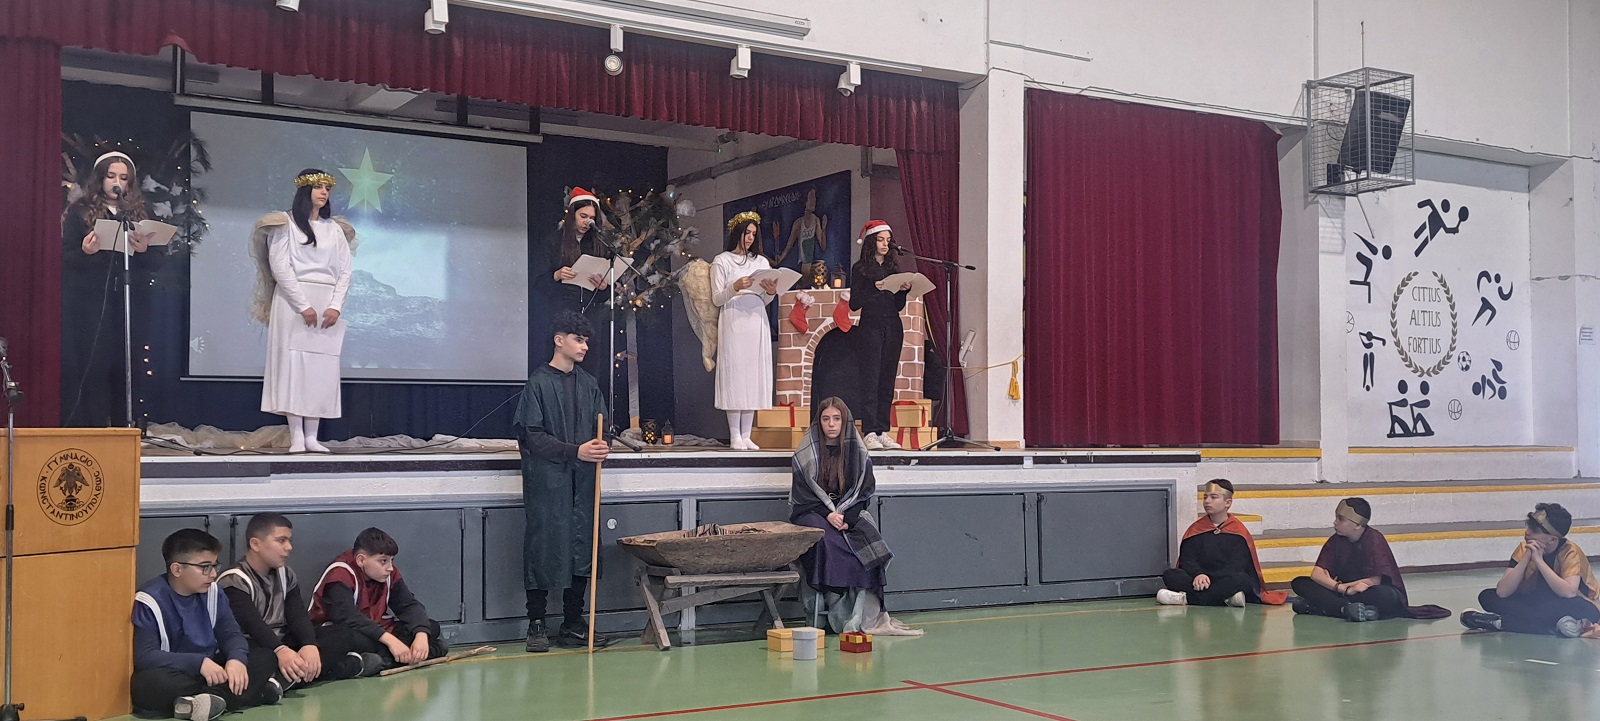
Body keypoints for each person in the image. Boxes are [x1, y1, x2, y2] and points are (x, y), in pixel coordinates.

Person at [514, 310, 612, 652]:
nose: (584, 347)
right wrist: (575, 451)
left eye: (586, 341)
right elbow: (533, 436)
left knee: (582, 546)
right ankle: (537, 623)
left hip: (582, 481)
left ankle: (573, 622)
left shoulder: (589, 384)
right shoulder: (538, 383)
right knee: (543, 546)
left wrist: (601, 447)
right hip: (548, 481)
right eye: (578, 340)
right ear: (559, 340)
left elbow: (603, 427)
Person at [789, 396, 921, 636]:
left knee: (868, 542)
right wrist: (828, 514)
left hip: (847, 512)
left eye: (836, 419)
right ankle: (833, 606)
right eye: (826, 419)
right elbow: (802, 494)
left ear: (845, 422)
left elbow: (864, 492)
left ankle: (859, 614)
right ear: (818, 422)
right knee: (824, 540)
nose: (831, 424)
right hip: (813, 511)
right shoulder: (805, 453)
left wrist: (847, 518)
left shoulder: (857, 453)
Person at [250, 169, 355, 453]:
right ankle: (296, 435)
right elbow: (280, 267)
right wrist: (302, 305)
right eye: (318, 187)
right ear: (305, 191)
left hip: (325, 302)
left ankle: (312, 436)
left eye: (327, 188)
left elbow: (345, 271)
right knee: (293, 367)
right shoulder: (284, 225)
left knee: (320, 368)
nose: (324, 193)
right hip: (293, 302)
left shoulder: (334, 230)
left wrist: (335, 306)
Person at [217, 513, 382, 687]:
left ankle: (284, 680)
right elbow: (254, 626)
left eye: (289, 540)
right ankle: (328, 670)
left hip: (283, 641)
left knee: (341, 634)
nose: (289, 547)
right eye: (281, 541)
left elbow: (298, 615)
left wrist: (309, 644)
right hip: (254, 644)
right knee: (264, 658)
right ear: (255, 544)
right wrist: (280, 650)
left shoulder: (286, 574)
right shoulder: (234, 580)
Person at [131, 528, 281, 720]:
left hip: (214, 668)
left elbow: (231, 634)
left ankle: (207, 700)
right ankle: (248, 693)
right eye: (205, 567)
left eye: (215, 565)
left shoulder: (214, 592)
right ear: (177, 569)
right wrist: (198, 663)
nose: (213, 574)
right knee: (148, 685)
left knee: (265, 657)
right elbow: (145, 656)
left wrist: (236, 660)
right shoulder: (149, 599)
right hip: (178, 671)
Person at [61, 150, 161, 428]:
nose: (117, 182)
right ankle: (94, 425)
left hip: (131, 301)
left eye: (123, 178)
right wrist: (85, 252)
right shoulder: (80, 211)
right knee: (96, 362)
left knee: (128, 363)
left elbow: (157, 261)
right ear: (100, 178)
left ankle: (125, 425)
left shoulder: (140, 213)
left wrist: (144, 250)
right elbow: (65, 258)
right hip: (92, 303)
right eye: (111, 176)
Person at [1289, 498, 1450, 622]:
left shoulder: (1374, 539)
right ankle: (1348, 609)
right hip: (1344, 591)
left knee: (1386, 596)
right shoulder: (1336, 540)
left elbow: (1375, 580)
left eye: (1341, 519)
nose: (1335, 522)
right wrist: (1343, 588)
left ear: (1357, 525)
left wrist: (1345, 588)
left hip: (1366, 591)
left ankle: (1324, 607)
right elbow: (1316, 574)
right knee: (1300, 583)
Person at [307, 527, 447, 670]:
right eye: (383, 561)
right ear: (361, 560)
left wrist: (421, 635)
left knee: (430, 626)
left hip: (377, 630)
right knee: (344, 638)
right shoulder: (340, 574)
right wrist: (392, 642)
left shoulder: (388, 573)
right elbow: (348, 618)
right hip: (347, 631)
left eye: (391, 560)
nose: (390, 567)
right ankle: (407, 655)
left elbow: (409, 605)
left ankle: (376, 661)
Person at [1461, 503, 1600, 638]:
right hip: (1536, 601)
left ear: (1552, 539)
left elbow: (1568, 592)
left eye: (1535, 530)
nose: (1527, 532)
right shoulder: (1524, 548)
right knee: (1487, 596)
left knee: (1583, 610)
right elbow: (1502, 592)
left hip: (1569, 603)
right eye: (1528, 527)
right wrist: (1526, 558)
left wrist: (1539, 561)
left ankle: (1501, 622)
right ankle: (1557, 625)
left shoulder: (1570, 551)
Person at [1157, 479, 1287, 607]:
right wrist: (1198, 574)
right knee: (1170, 575)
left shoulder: (1238, 532)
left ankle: (1186, 598)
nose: (1207, 501)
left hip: (1224, 578)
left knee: (1242, 579)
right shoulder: (1196, 529)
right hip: (1199, 578)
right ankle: (1226, 598)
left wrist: (1210, 578)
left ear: (1227, 502)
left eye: (1213, 497)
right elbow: (1187, 560)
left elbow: (1238, 565)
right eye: (1205, 497)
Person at [712, 211, 778, 450]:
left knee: (753, 373)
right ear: (736, 233)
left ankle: (747, 434)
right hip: (734, 318)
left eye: (753, 234)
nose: (750, 238)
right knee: (736, 374)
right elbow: (717, 298)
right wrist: (735, 287)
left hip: (756, 317)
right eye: (746, 233)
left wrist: (770, 292)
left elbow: (765, 299)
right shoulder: (722, 261)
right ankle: (735, 436)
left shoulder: (761, 263)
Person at [533, 187, 613, 381]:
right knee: (560, 369)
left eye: (591, 218)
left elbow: (606, 293)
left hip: (591, 314)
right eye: (583, 216)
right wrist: (556, 275)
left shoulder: (599, 244)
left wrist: (604, 287)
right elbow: (537, 283)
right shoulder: (553, 242)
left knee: (589, 370)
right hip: (561, 312)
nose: (587, 222)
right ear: (572, 215)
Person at [849, 221, 912, 451]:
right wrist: (873, 288)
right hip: (871, 326)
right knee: (871, 378)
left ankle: (882, 430)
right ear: (871, 241)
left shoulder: (893, 268)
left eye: (888, 240)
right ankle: (869, 430)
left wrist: (903, 292)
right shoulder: (860, 268)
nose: (885, 244)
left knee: (887, 379)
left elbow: (897, 306)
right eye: (880, 239)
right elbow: (854, 303)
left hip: (892, 325)